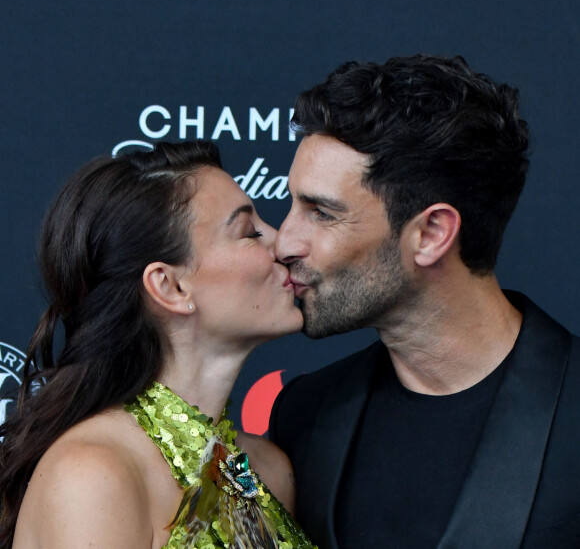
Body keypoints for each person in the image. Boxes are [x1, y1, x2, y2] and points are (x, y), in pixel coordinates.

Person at [268, 55, 580, 548]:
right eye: (292, 205)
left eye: (322, 213)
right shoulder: (303, 415)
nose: (283, 242)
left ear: (432, 233)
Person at [0, 141, 316, 549]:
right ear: (170, 286)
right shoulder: (93, 473)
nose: (283, 244)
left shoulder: (267, 470)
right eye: (249, 232)